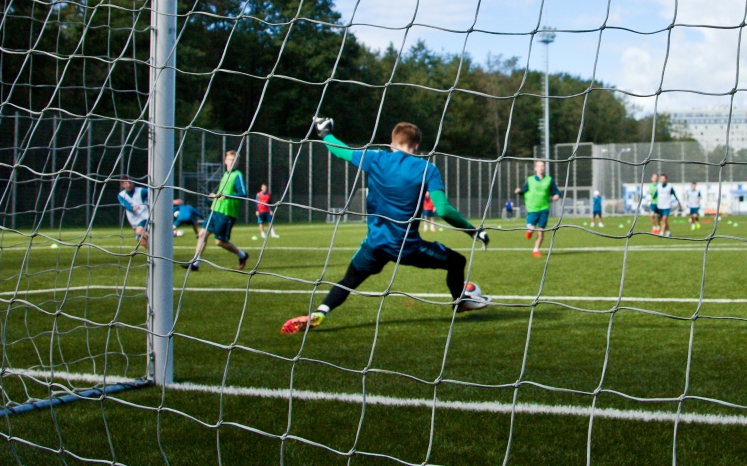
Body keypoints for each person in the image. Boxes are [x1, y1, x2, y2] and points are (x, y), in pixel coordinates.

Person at [281, 118, 489, 333]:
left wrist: (325, 134)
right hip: (406, 248)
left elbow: (340, 150)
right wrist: (473, 231)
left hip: (375, 244)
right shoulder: (427, 168)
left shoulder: (376, 158)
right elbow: (444, 209)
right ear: (416, 146)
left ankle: (320, 312)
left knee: (349, 279)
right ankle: (460, 301)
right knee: (457, 261)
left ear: (392, 144)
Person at [189, 149, 250, 272]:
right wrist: (213, 197)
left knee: (220, 242)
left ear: (237, 162)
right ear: (225, 161)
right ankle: (195, 263)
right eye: (229, 160)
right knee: (201, 235)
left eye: (234, 160)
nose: (231, 162)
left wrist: (226, 196)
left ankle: (242, 255)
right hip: (215, 210)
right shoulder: (226, 174)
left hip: (226, 213)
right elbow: (222, 193)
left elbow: (243, 193)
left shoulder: (237, 175)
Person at [516, 160, 561, 257]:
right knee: (531, 229)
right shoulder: (530, 180)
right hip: (532, 209)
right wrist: (519, 191)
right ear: (535, 168)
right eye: (539, 166)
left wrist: (556, 195)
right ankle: (529, 231)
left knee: (541, 231)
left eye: (543, 166)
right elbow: (523, 191)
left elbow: (556, 191)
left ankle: (536, 250)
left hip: (544, 209)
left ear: (544, 168)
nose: (541, 167)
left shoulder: (549, 180)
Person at [116, 177, 150, 251]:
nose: (128, 185)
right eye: (126, 183)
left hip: (144, 217)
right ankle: (155, 254)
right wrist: (131, 208)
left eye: (130, 183)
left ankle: (167, 234)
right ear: (122, 185)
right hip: (134, 221)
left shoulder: (141, 191)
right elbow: (125, 204)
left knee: (139, 232)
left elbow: (154, 192)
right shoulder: (121, 195)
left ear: (133, 183)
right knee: (142, 242)